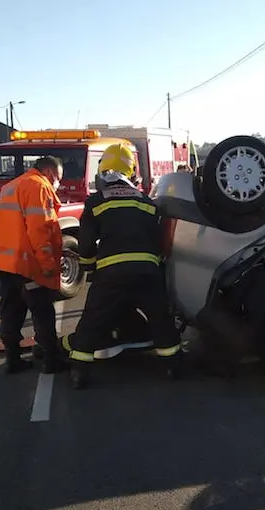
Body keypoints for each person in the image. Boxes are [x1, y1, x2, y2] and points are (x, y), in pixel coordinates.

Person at [60, 143, 184, 389]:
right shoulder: (147, 202)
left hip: (110, 274)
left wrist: (89, 266)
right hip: (147, 272)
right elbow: (161, 239)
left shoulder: (96, 202)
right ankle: (172, 366)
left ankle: (79, 372)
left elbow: (85, 243)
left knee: (92, 320)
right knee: (160, 318)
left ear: (103, 171)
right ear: (132, 172)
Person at [0, 156, 66, 375]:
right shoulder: (39, 186)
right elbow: (39, 229)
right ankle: (51, 361)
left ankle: (13, 359)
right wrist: (47, 264)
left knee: (12, 309)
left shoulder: (11, 186)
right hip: (27, 263)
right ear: (48, 172)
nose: (58, 183)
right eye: (58, 178)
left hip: (6, 263)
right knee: (42, 310)